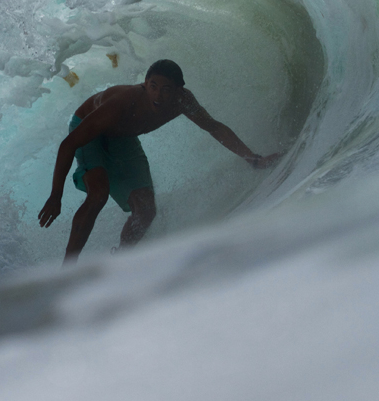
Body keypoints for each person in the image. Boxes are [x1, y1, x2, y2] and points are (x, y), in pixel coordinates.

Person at [37, 59, 281, 262]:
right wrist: (55, 196)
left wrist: (253, 159)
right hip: (89, 129)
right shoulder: (123, 103)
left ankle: (121, 261)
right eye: (152, 86)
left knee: (146, 210)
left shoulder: (183, 102)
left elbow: (214, 127)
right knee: (99, 193)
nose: (158, 95)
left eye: (166, 89)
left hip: (122, 138)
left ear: (179, 90)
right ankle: (67, 271)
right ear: (145, 84)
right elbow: (69, 144)